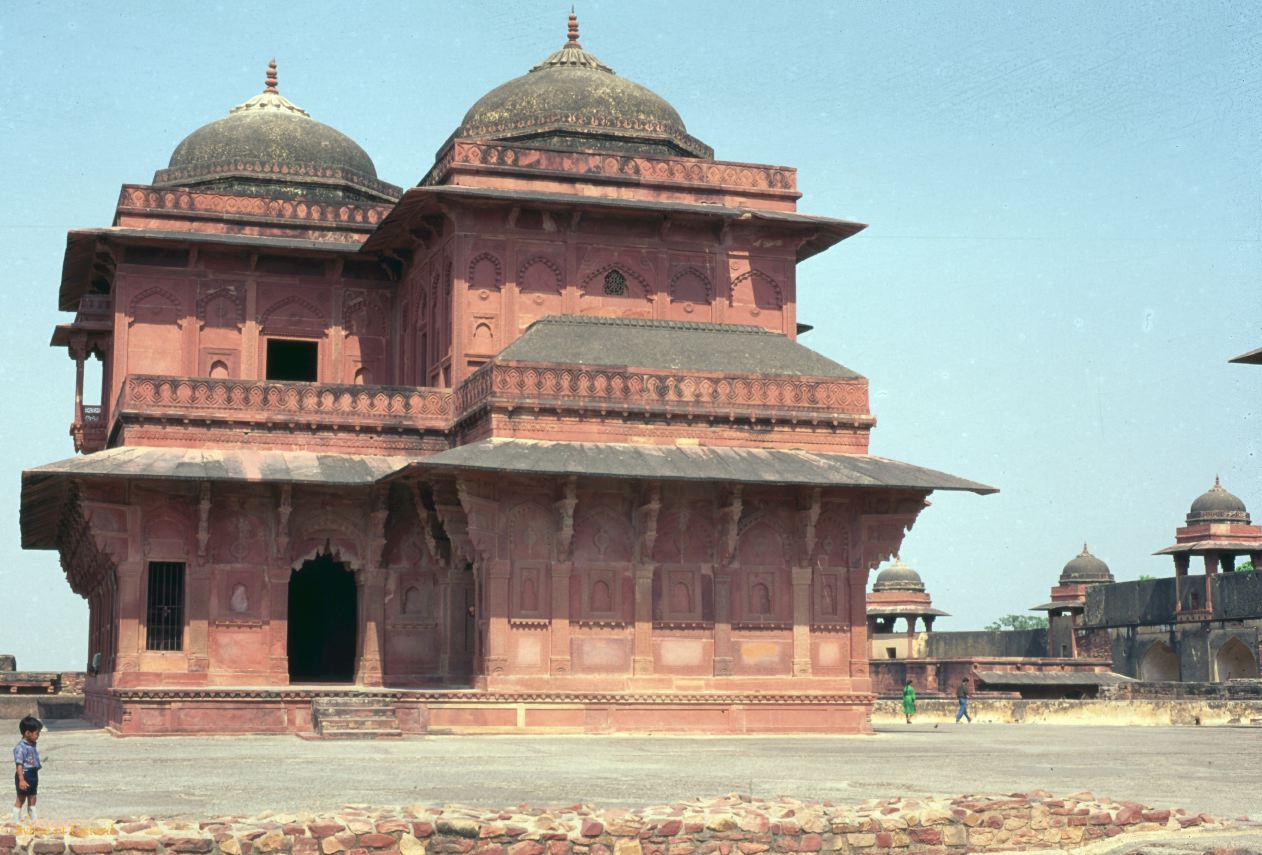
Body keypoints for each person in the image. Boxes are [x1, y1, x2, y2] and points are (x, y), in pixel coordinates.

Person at [12, 715, 42, 824]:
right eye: (36, 733)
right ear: (27, 733)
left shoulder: (32, 744)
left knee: (33, 796)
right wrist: (21, 780)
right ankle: (16, 821)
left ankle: (33, 819)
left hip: (33, 774)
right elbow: (19, 764)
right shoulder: (20, 747)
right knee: (21, 798)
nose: (38, 736)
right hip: (25, 775)